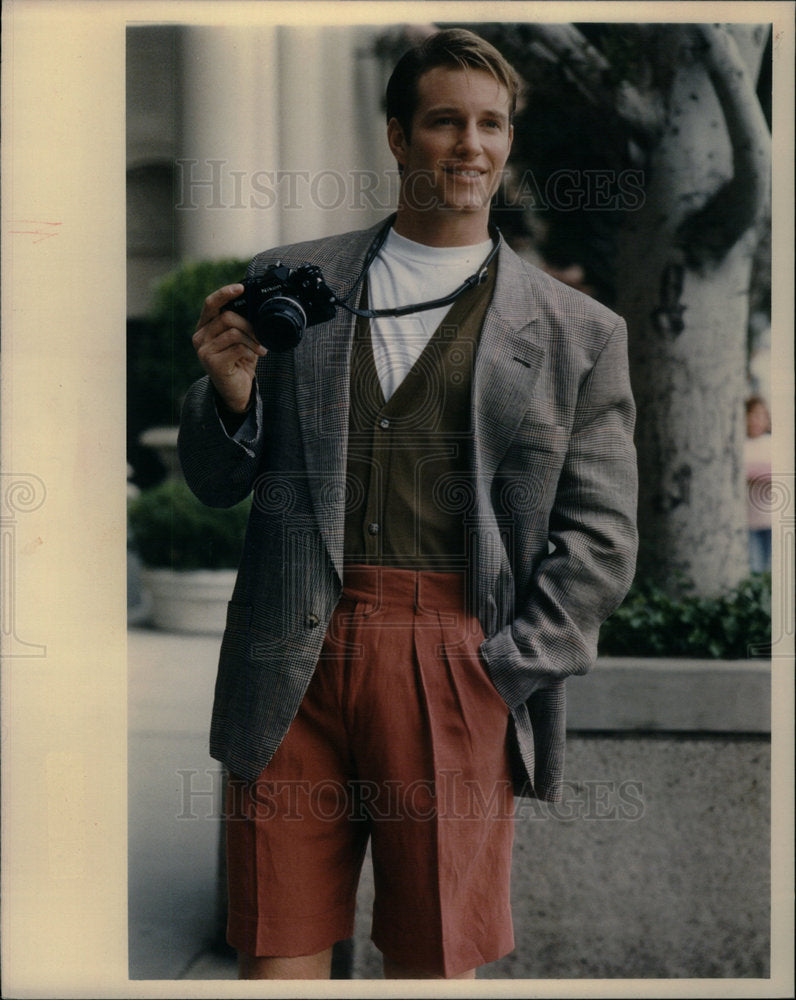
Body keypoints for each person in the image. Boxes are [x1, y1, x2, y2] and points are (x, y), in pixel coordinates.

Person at [178, 28, 638, 981]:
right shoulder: (290, 285)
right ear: (397, 137)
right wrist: (226, 396)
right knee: (277, 953)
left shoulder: (575, 331)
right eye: (443, 122)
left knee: (434, 963)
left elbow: (600, 535)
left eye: (490, 125)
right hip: (289, 653)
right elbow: (216, 482)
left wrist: (506, 669)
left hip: (456, 658)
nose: (469, 146)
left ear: (508, 142)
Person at [744, 395, 772, 573]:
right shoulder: (741, 444)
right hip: (748, 520)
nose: (757, 420)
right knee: (755, 566)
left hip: (771, 517)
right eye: (753, 415)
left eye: (762, 415)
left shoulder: (772, 443)